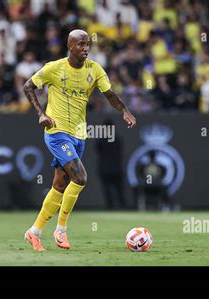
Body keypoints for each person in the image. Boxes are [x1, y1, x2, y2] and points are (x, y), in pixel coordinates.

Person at [23, 29, 136, 251]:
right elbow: (28, 86)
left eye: (87, 44)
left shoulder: (94, 70)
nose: (85, 48)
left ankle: (34, 232)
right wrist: (41, 114)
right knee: (81, 177)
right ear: (69, 45)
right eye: (80, 44)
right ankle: (61, 230)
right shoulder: (54, 68)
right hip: (56, 132)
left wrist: (124, 110)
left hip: (78, 134)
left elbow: (109, 93)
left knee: (59, 185)